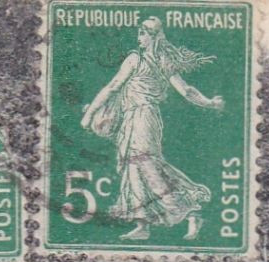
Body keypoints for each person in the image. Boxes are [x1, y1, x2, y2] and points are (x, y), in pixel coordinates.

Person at [81, 17, 224, 241]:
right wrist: (210, 103)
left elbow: (113, 87)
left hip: (142, 118)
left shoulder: (136, 59)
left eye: (145, 32)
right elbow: (186, 91)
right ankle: (143, 225)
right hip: (139, 118)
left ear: (155, 36)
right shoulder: (161, 60)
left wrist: (90, 114)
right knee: (135, 167)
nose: (140, 36)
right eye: (140, 31)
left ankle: (189, 210)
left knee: (145, 166)